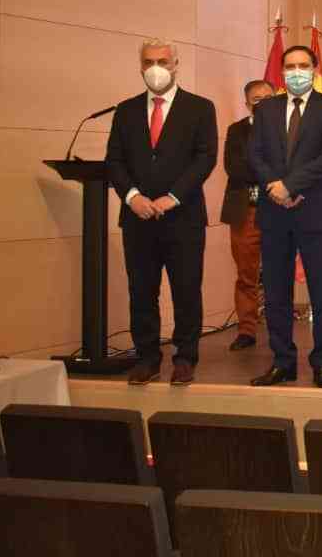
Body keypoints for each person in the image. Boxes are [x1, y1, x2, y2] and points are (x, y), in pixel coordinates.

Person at [106, 38, 217, 386]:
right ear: (140, 67)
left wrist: (173, 196)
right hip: (138, 218)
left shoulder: (200, 108)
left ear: (175, 65)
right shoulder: (125, 110)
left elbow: (205, 158)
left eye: (163, 61)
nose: (156, 68)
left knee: (186, 290)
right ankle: (147, 358)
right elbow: (114, 160)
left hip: (183, 218)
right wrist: (132, 196)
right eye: (149, 62)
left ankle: (185, 358)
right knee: (142, 292)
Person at [248, 45, 322, 389]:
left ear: (315, 69)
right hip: (274, 212)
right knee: (276, 292)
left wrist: (291, 186)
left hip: (316, 211)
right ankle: (282, 362)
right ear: (281, 72)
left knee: (321, 294)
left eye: (303, 65)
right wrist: (276, 187)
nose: (296, 72)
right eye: (290, 66)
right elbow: (255, 155)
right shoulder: (266, 109)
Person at [220, 79, 275, 351]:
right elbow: (235, 169)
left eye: (268, 98)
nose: (263, 104)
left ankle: (279, 329)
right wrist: (269, 173)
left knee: (278, 273)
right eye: (257, 99)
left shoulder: (288, 129)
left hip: (279, 210)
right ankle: (246, 330)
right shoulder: (236, 130)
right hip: (246, 211)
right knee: (246, 274)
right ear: (247, 103)